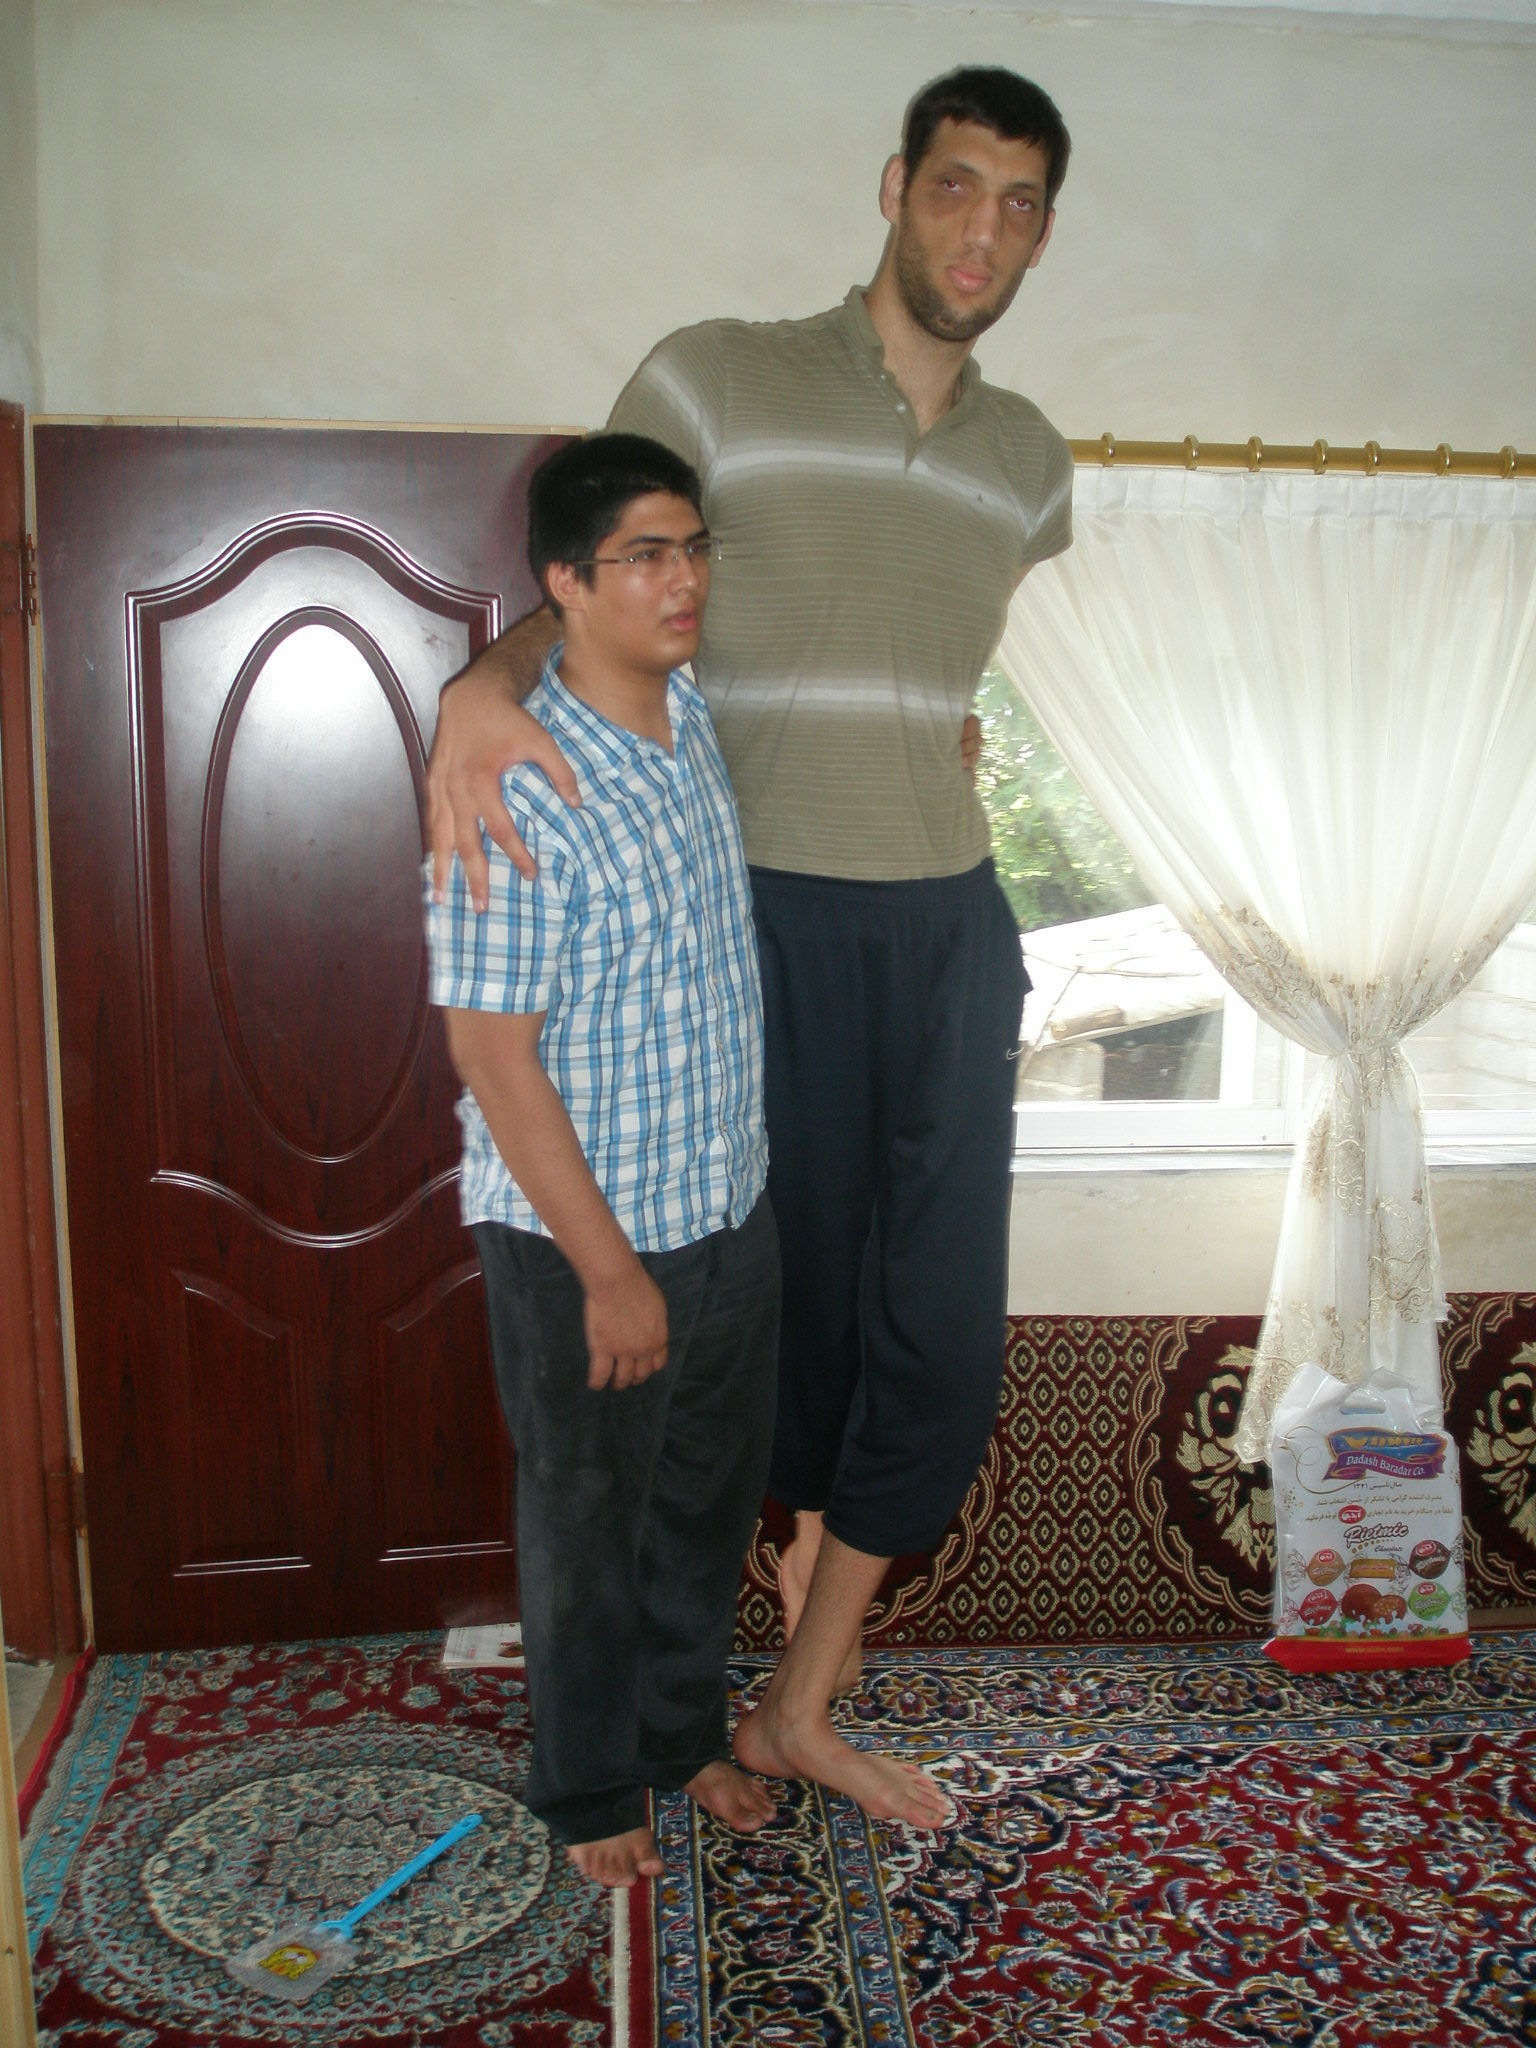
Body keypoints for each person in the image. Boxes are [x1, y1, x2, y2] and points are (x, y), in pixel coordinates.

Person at [428, 67, 1074, 1831]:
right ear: (896, 186)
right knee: (767, 1354)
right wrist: (474, 690)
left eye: (1023, 203)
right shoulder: (718, 373)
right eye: (957, 185)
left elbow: (922, 661)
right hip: (764, 923)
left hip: (948, 923)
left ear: (1043, 235)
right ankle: (684, 1714)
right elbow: (591, 577)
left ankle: (801, 1704)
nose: (984, 230)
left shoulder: (1031, 462)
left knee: (939, 1342)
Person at [425, 433, 781, 1889]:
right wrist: (611, 1273)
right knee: (587, 1523)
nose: (682, 579)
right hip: (586, 1239)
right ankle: (585, 1788)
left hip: (728, 1205)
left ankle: (678, 1732)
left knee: (702, 1505)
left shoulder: (686, 713)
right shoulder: (514, 787)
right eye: (644, 556)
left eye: (693, 547)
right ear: (566, 583)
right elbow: (492, 1057)